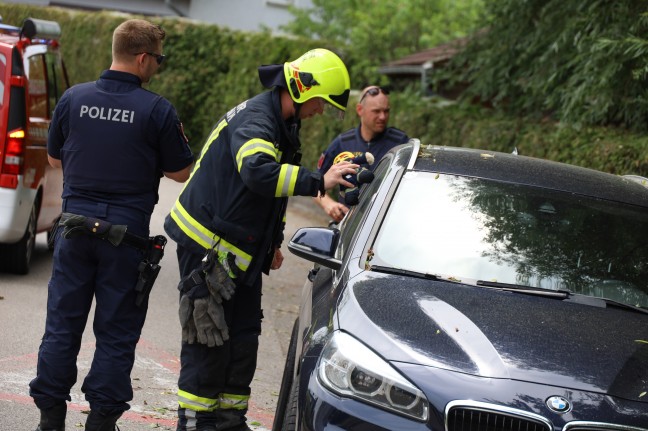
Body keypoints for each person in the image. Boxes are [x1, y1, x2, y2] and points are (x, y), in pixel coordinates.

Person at [163, 48, 357, 431]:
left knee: (243, 340)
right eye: (323, 103)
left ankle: (229, 422)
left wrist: (272, 243)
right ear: (305, 90)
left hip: (239, 252)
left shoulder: (282, 121)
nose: (321, 112)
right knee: (209, 339)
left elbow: (268, 194)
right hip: (209, 250)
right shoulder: (257, 119)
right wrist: (319, 180)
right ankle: (196, 423)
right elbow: (258, 173)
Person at [29, 19, 195, 431]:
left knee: (62, 324)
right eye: (157, 58)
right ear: (142, 58)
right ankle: (101, 421)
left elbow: (54, 160)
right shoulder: (157, 109)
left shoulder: (73, 98)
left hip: (73, 230)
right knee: (117, 332)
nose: (157, 65)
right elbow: (181, 172)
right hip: (126, 238)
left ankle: (50, 418)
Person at [314, 85, 409, 222]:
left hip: (383, 226)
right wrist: (329, 204)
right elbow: (316, 183)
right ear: (360, 110)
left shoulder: (401, 142)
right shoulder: (342, 142)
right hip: (348, 226)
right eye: (376, 111)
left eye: (386, 111)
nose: (382, 117)